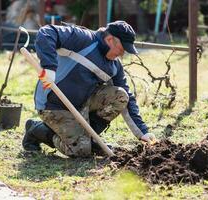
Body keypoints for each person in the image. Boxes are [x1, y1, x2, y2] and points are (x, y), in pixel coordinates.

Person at [22, 20, 156, 157]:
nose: (121, 55)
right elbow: (47, 32)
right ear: (110, 39)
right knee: (81, 150)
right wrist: (49, 68)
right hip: (53, 104)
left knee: (120, 96)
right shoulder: (82, 39)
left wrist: (143, 132)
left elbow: (127, 97)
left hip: (82, 104)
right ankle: (36, 130)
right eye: (121, 49)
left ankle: (89, 138)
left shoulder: (114, 66)